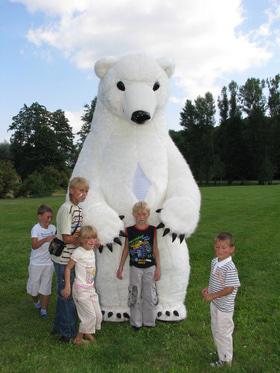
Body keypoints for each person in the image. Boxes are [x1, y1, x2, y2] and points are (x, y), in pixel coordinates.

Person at [51, 177, 89, 343]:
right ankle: (69, 333)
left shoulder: (77, 209)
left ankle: (58, 326)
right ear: (71, 190)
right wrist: (84, 242)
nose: (84, 194)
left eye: (86, 192)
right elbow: (67, 238)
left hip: (70, 256)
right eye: (81, 190)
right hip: (63, 258)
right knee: (67, 294)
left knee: (62, 293)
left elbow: (76, 233)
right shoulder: (67, 209)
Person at [116, 201, 161, 330]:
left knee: (149, 295)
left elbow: (155, 249)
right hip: (135, 267)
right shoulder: (129, 230)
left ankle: (149, 322)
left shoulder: (152, 230)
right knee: (135, 294)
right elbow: (126, 249)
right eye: (138, 214)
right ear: (134, 214)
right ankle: (136, 322)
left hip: (150, 267)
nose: (141, 216)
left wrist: (158, 268)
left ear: (148, 214)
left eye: (144, 214)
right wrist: (120, 268)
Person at [202, 232, 240, 367]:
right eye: (217, 247)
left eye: (224, 248)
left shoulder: (230, 267)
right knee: (215, 329)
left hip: (224, 307)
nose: (220, 250)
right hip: (215, 303)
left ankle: (225, 360)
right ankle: (221, 352)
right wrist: (208, 289)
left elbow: (229, 288)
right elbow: (215, 280)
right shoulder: (215, 261)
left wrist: (212, 295)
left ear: (231, 249)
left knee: (223, 332)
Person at [62, 225, 102, 345]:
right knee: (90, 317)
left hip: (91, 289)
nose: (91, 241)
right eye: (88, 238)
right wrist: (67, 286)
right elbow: (68, 268)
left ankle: (87, 331)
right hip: (81, 290)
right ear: (81, 240)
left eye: (93, 238)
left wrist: (95, 242)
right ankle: (78, 339)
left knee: (98, 315)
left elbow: (95, 243)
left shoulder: (91, 250)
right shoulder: (78, 252)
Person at [26, 204, 56, 319]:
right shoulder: (36, 229)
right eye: (47, 217)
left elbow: (57, 244)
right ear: (40, 216)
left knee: (46, 287)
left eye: (51, 217)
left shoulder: (53, 228)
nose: (49, 219)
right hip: (36, 264)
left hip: (49, 263)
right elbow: (34, 245)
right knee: (34, 289)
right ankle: (36, 301)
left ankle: (43, 310)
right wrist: (45, 239)